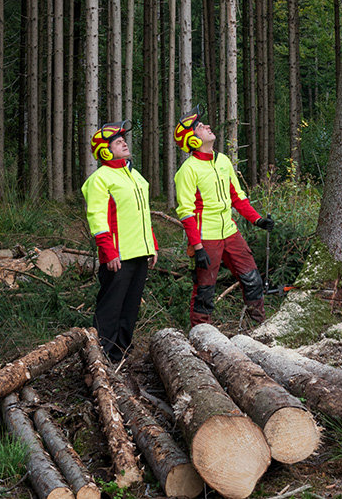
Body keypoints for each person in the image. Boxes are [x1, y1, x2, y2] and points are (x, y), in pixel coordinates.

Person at [173, 112, 275, 326]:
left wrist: (257, 220)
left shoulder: (223, 161)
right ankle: (201, 334)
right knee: (205, 290)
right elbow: (186, 212)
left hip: (230, 232)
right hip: (206, 237)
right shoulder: (188, 170)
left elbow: (237, 197)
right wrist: (197, 246)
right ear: (192, 139)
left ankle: (259, 328)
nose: (208, 126)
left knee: (252, 280)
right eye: (201, 126)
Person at [81, 123, 158, 363]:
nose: (124, 143)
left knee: (130, 308)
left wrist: (152, 244)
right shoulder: (100, 179)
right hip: (117, 255)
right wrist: (108, 250)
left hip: (139, 251)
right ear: (105, 151)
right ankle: (101, 357)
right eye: (117, 141)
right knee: (110, 309)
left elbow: (143, 214)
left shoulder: (135, 175)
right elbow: (97, 218)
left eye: (123, 139)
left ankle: (121, 355)